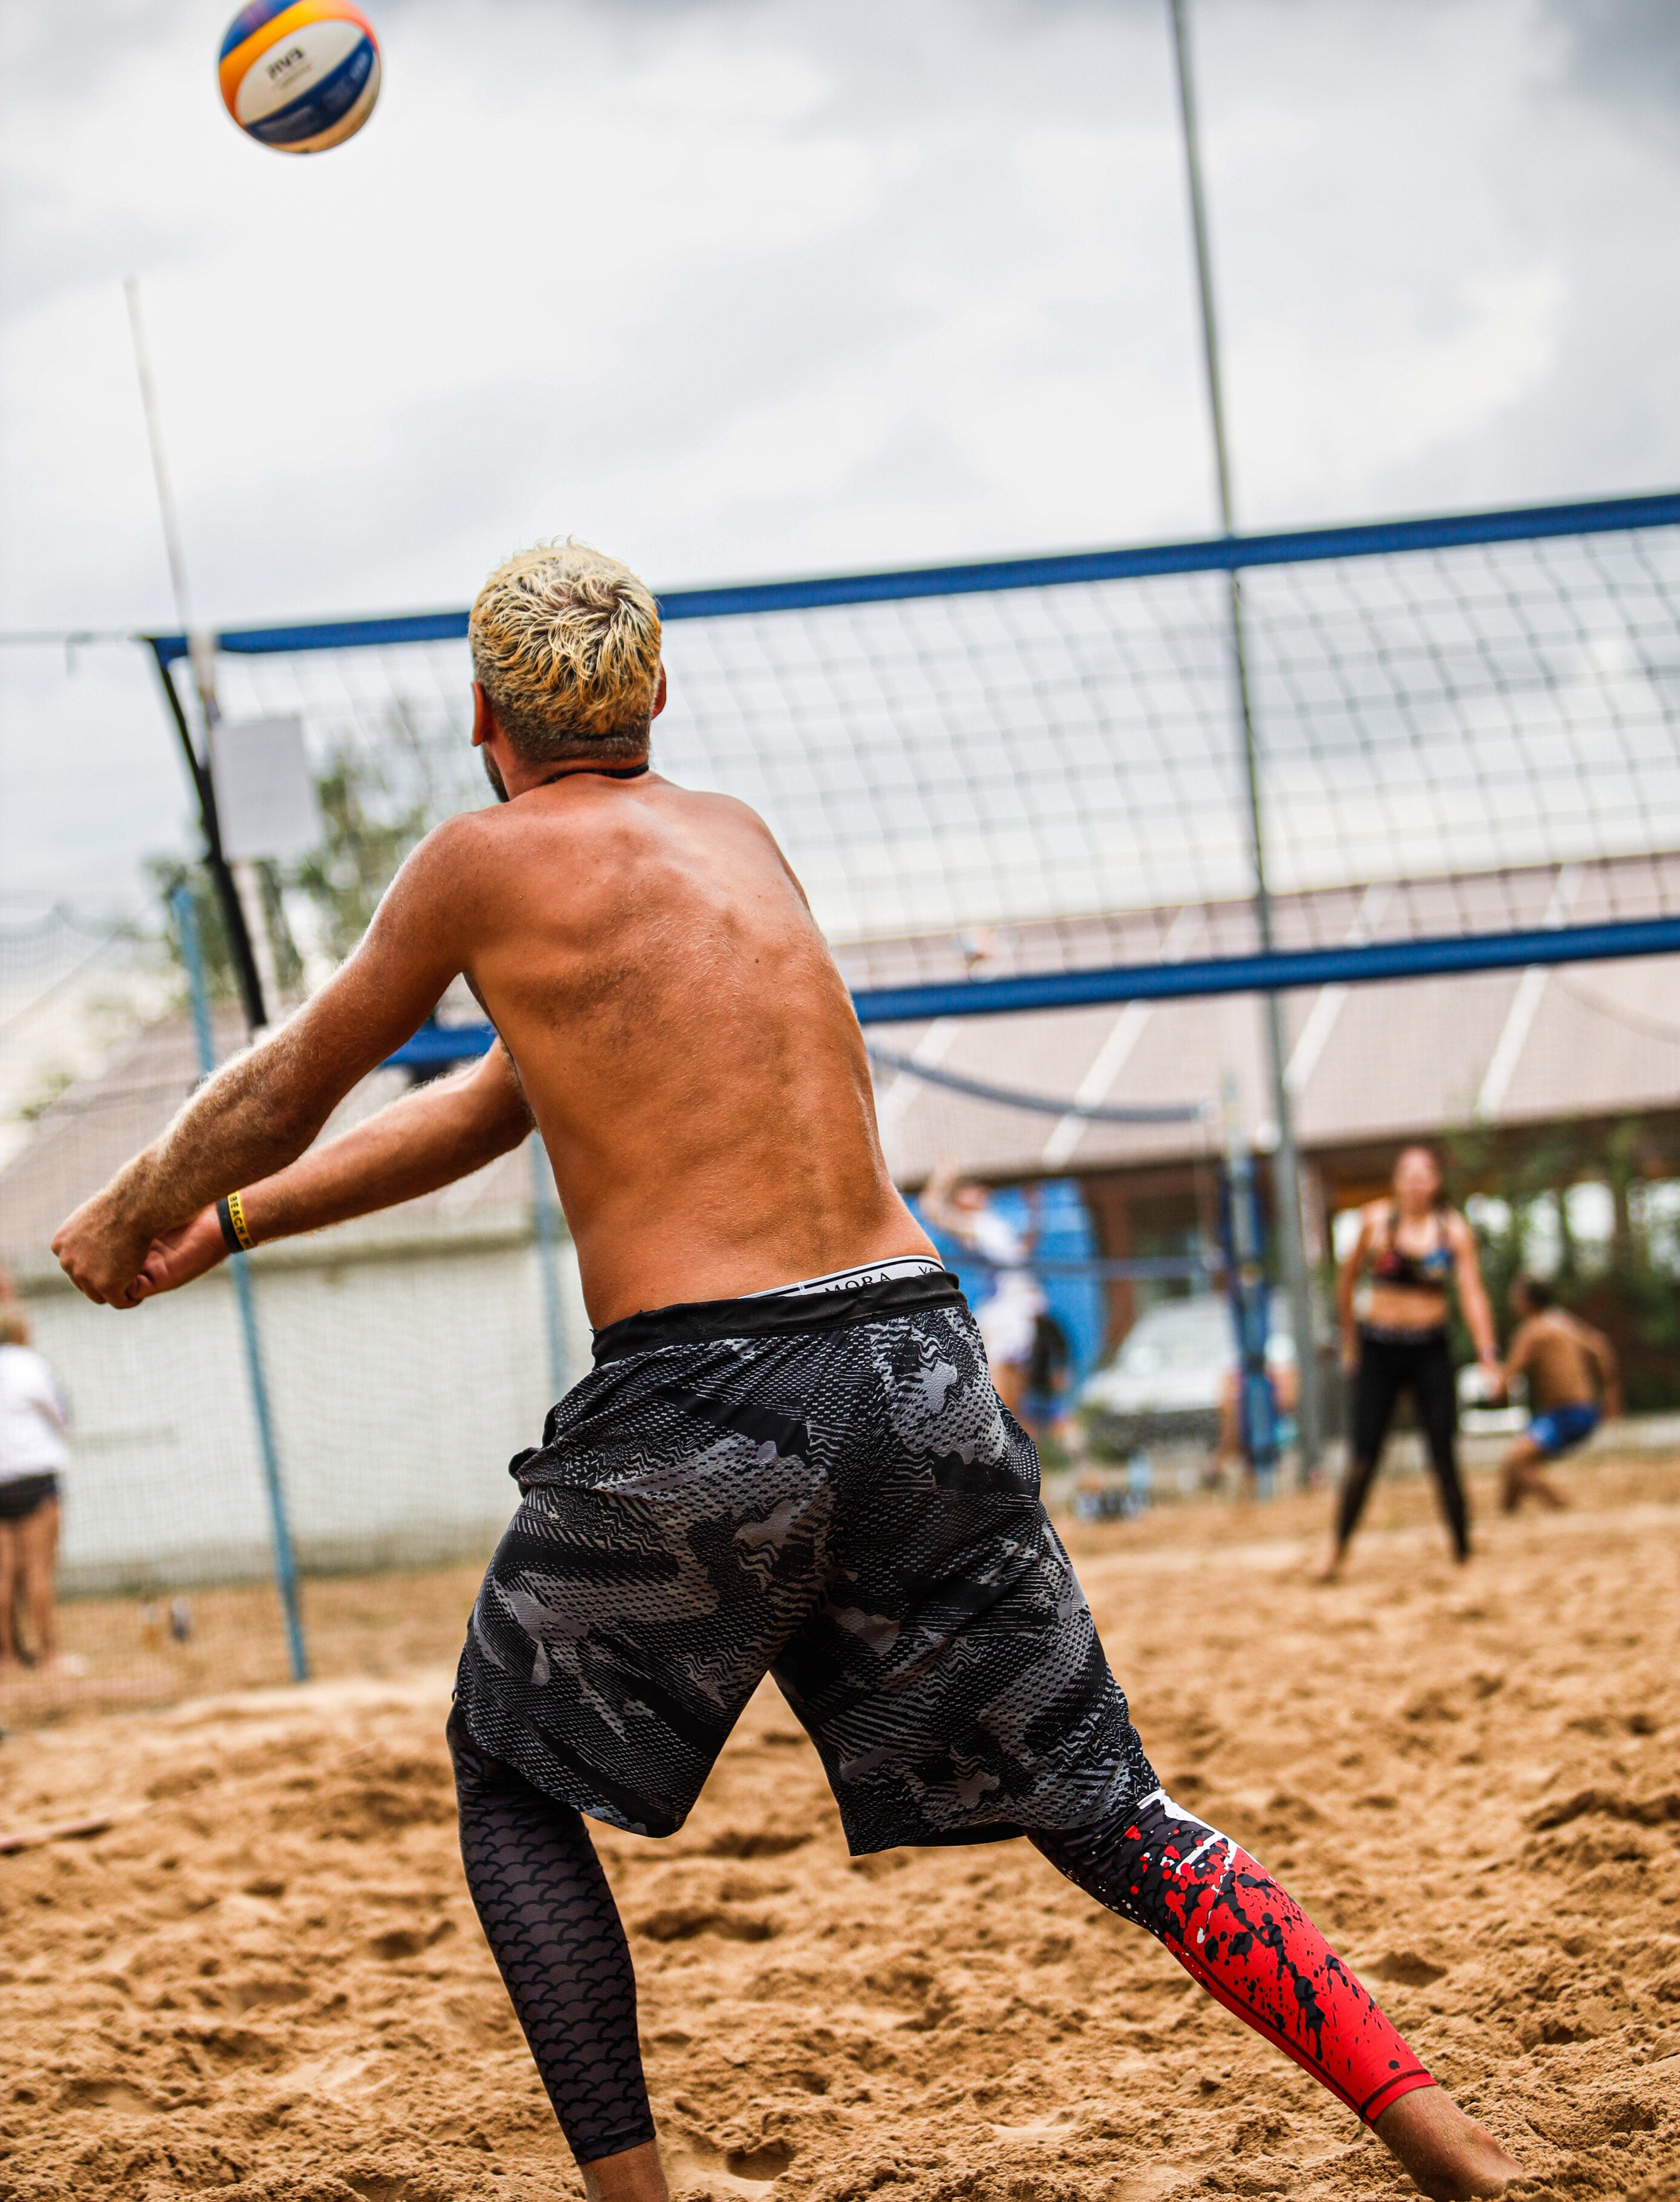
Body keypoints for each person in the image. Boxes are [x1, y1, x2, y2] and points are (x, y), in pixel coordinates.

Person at [52, 541, 1518, 2201]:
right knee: (1113, 1809)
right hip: (917, 1360)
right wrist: (232, 1227)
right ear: (656, 693)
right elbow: (491, 1105)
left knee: (507, 1776)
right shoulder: (739, 838)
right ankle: (1442, 2135)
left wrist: (137, 1203)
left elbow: (297, 1075)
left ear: (478, 711)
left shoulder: (474, 863)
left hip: (709, 1390)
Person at [1321, 1147, 1498, 1579]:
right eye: (1408, 1174)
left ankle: (1463, 1551)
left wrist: (1487, 1354)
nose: (1416, 1182)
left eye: (1425, 1174)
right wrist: (1351, 1343)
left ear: (1436, 1181)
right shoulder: (1375, 1223)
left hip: (1429, 1349)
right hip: (1379, 1348)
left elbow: (1472, 1293)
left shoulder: (1451, 1230)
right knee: (1363, 1457)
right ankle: (1336, 1550)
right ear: (1396, 1181)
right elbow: (1344, 1287)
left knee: (1443, 1453)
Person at [919, 1164, 1047, 1418]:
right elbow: (930, 1209)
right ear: (960, 1198)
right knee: (999, 1388)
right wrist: (942, 1178)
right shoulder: (970, 1225)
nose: (980, 1192)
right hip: (1003, 1313)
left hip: (1021, 1311)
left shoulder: (995, 1223)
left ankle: (1012, 1447)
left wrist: (1035, 1211)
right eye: (971, 1189)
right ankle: (994, 1440)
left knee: (1019, 1387)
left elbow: (1022, 1252)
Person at [1496, 1275, 1620, 1514]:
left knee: (1515, 1460)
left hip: (1563, 1415)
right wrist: (1611, 1393)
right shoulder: (1564, 1322)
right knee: (1518, 1463)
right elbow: (1601, 1347)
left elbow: (1507, 1379)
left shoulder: (1531, 1332)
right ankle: (1507, 1514)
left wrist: (1497, 1387)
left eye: (1516, 1295)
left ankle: (1561, 1506)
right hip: (1584, 1411)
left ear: (1526, 1300)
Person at [0, 1305, 69, 1672]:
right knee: (39, 1569)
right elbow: (62, 1416)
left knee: (4, 1574)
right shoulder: (30, 1363)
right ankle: (48, 1653)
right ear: (21, 1333)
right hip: (34, 1475)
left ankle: (7, 1659)